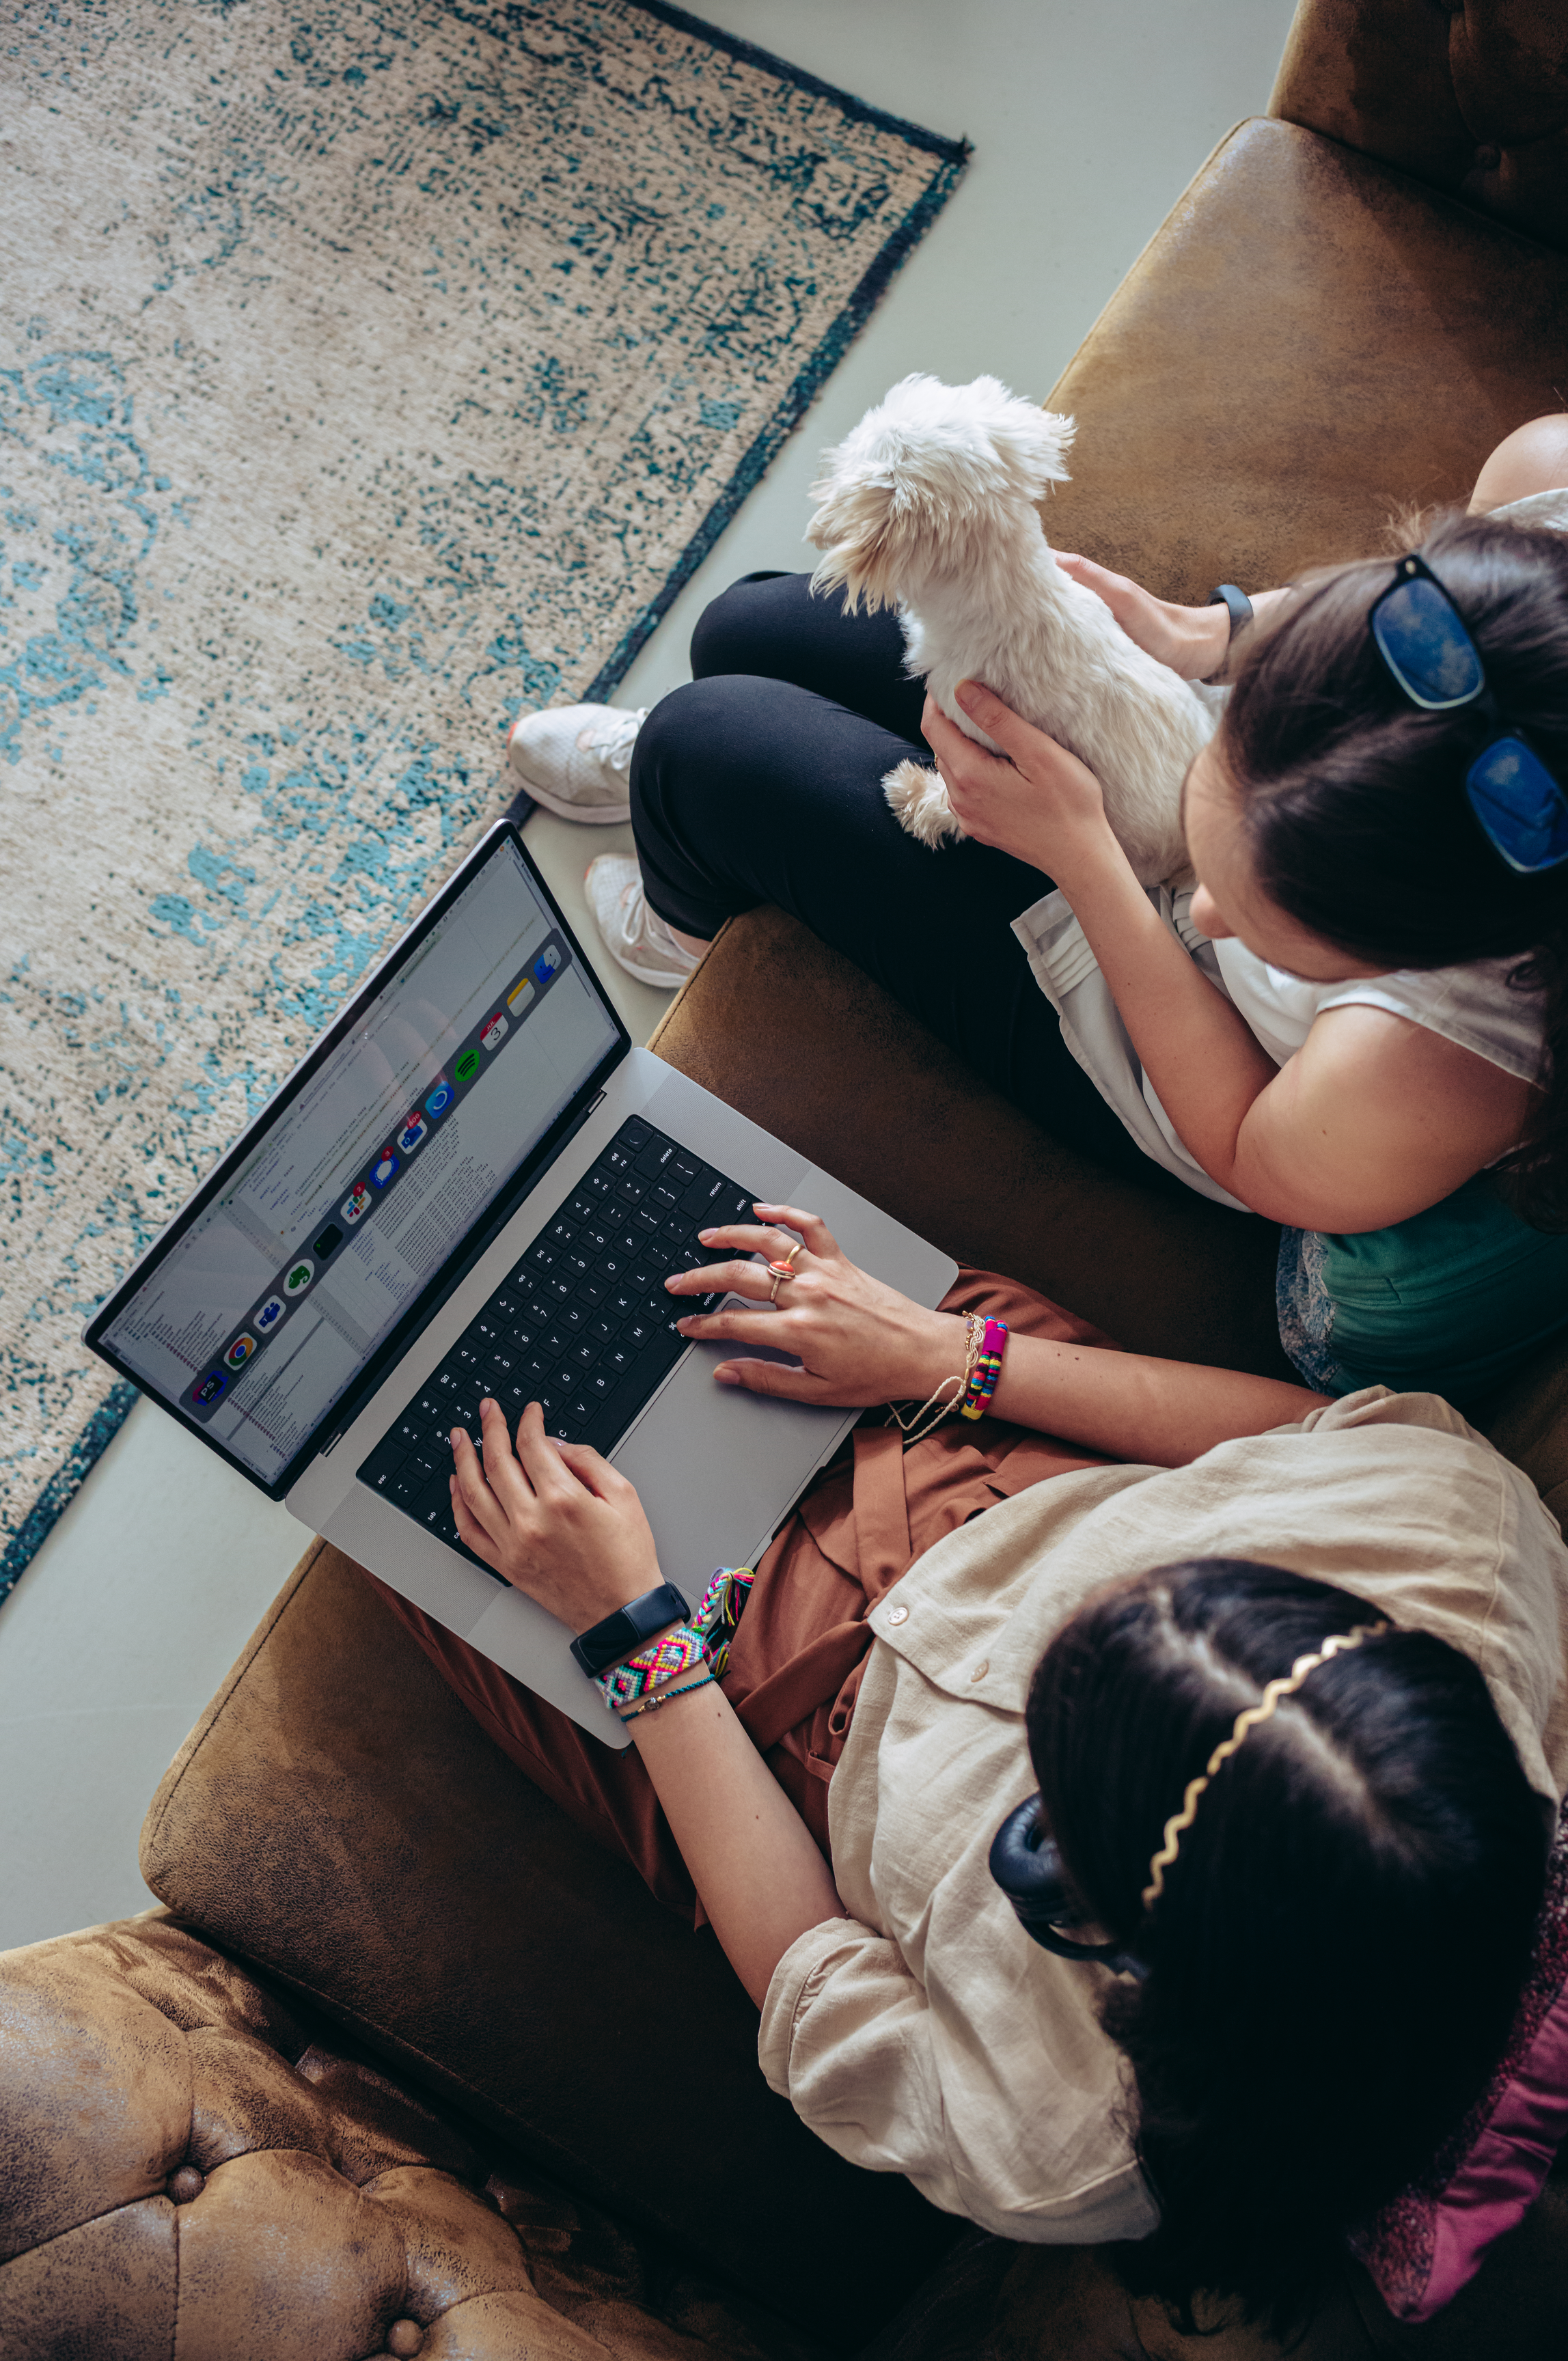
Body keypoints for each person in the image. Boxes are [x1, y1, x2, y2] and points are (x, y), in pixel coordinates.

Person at [367, 1210, 1565, 2334]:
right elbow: (1302, 1436)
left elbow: (814, 1978)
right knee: (672, 1228)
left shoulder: (1063, 2149)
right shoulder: (1464, 1541)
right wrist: (944, 1353)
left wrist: (635, 1640)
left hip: (761, 1722)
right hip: (998, 1432)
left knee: (396, 1457)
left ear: (1075, 1898)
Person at [508, 416, 1568, 1405]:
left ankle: (683, 919)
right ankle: (696, 801)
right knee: (753, 623)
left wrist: (1084, 859)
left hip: (1226, 1083)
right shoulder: (1544, 491)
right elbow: (1426, 619)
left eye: (1254, 916)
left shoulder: (1435, 1073)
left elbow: (1245, 1144)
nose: (1207, 906)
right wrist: (1204, 637)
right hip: (1206, 835)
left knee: (710, 745)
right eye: (1222, 835)